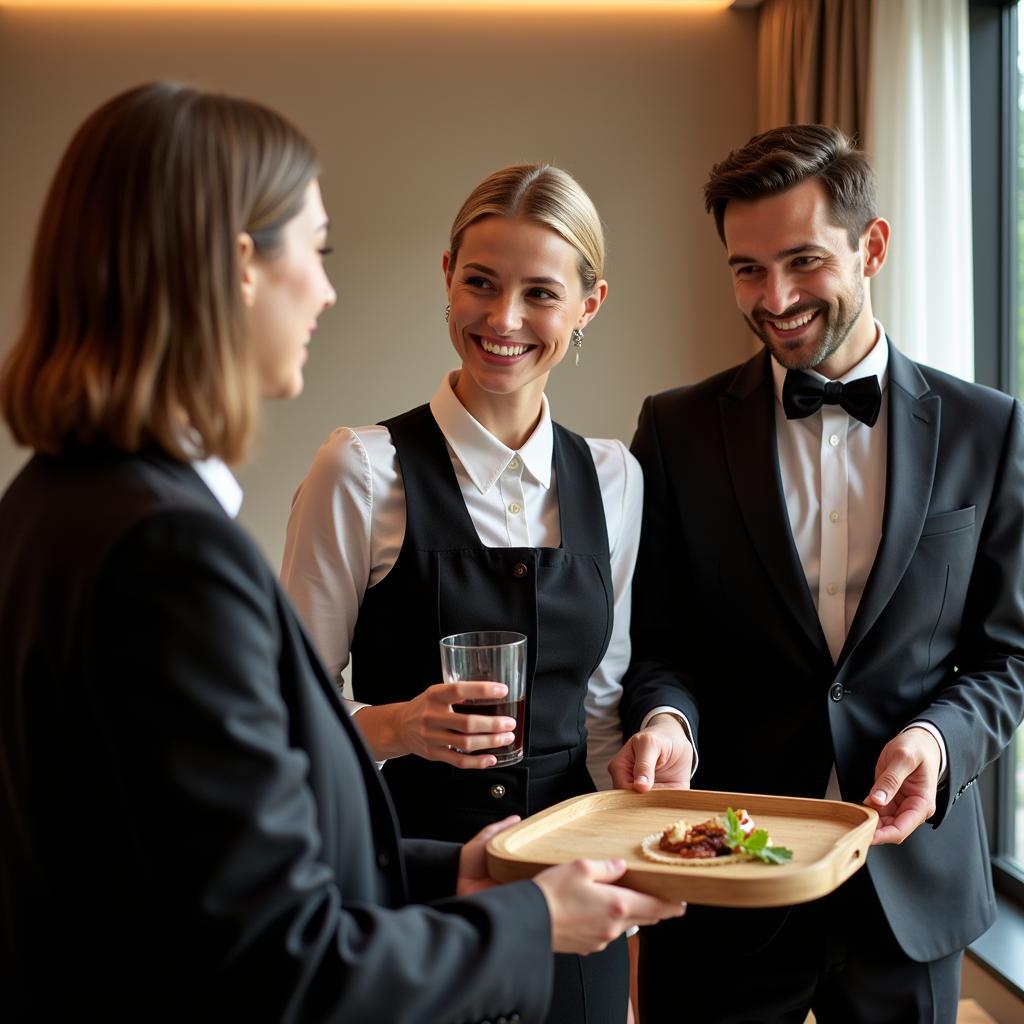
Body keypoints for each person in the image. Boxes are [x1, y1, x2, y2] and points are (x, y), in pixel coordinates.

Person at [0, 84, 684, 1022]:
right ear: (241, 265)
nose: (327, 288)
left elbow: (215, 849)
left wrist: (472, 868)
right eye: (316, 250)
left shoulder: (53, 502)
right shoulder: (169, 551)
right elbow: (279, 949)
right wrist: (527, 916)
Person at [610, 124, 1024, 1023]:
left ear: (872, 245)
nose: (776, 297)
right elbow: (660, 640)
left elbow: (1010, 655)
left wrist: (939, 742)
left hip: (907, 887)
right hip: (719, 885)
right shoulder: (676, 431)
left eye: (803, 262)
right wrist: (667, 717)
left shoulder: (989, 429)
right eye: (747, 269)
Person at [281, 163, 644, 1023]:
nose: (503, 319)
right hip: (409, 911)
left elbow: (602, 712)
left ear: (589, 306)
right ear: (446, 275)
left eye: (540, 294)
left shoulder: (615, 477)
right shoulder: (361, 470)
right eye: (480, 282)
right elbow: (290, 718)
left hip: (573, 905)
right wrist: (396, 724)